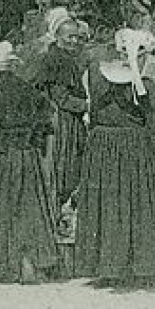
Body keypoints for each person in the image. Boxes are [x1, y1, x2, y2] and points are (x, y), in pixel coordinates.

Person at [75, 29, 155, 288]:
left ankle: (106, 266)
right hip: (134, 149)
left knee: (106, 204)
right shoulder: (145, 86)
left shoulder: (96, 75)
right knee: (134, 203)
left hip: (101, 147)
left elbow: (92, 111)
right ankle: (136, 265)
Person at [0, 42, 62, 283]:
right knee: (26, 208)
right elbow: (47, 123)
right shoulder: (28, 90)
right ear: (14, 67)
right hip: (24, 153)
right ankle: (28, 260)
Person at [31, 12, 92, 206]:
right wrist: (88, 106)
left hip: (66, 119)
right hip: (61, 122)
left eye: (77, 37)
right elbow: (61, 98)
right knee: (63, 167)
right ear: (57, 36)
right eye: (69, 37)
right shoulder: (57, 60)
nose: (74, 41)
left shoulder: (64, 57)